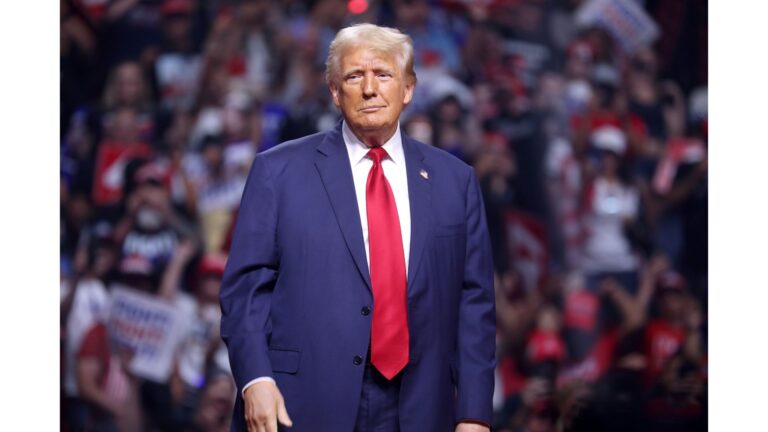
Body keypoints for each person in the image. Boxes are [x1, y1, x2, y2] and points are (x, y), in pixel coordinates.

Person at [220, 23, 496, 431]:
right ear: (334, 91)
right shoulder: (278, 171)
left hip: (419, 406)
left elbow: (475, 306)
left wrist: (474, 414)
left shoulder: (456, 181)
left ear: (408, 88)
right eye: (354, 76)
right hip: (302, 403)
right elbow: (244, 291)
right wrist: (255, 379)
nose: (369, 89)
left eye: (383, 74)